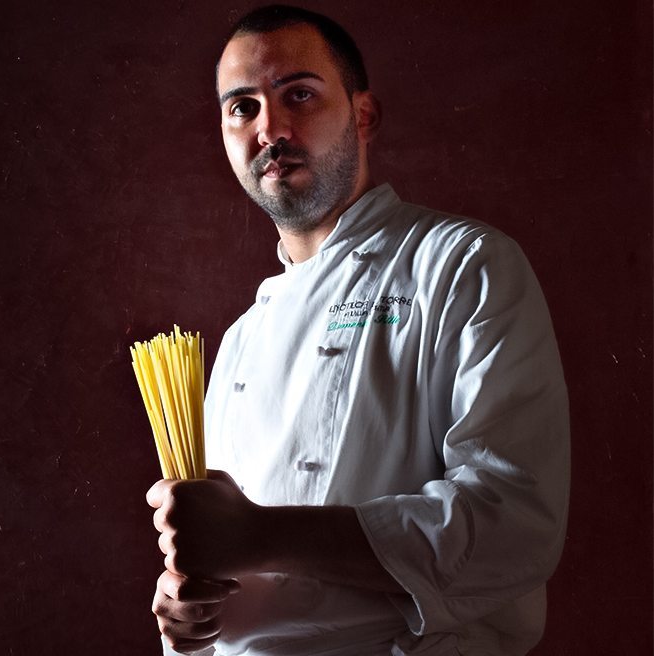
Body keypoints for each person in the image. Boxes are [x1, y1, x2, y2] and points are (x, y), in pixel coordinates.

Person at [145, 5, 570, 656]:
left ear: (363, 115)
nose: (271, 130)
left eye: (300, 95)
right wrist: (187, 617)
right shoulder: (237, 343)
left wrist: (260, 535)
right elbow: (231, 578)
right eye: (243, 108)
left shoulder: (460, 265)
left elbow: (514, 524)